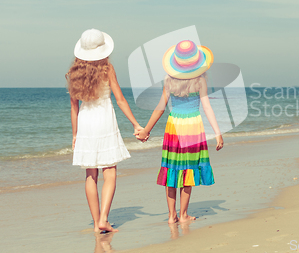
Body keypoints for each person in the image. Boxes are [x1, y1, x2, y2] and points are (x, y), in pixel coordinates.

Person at [136, 39, 224, 224]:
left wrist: (146, 131)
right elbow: (207, 107)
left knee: (172, 170)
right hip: (193, 128)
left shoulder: (169, 81)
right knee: (188, 170)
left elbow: (160, 108)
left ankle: (171, 215)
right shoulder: (200, 81)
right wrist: (217, 132)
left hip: (173, 128)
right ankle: (183, 214)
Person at [67, 29, 145, 233]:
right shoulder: (107, 69)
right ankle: (103, 219)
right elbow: (120, 99)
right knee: (109, 171)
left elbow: (74, 108)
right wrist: (136, 125)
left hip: (85, 123)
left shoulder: (72, 74)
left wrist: (75, 135)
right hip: (104, 120)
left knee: (90, 174)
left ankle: (96, 223)